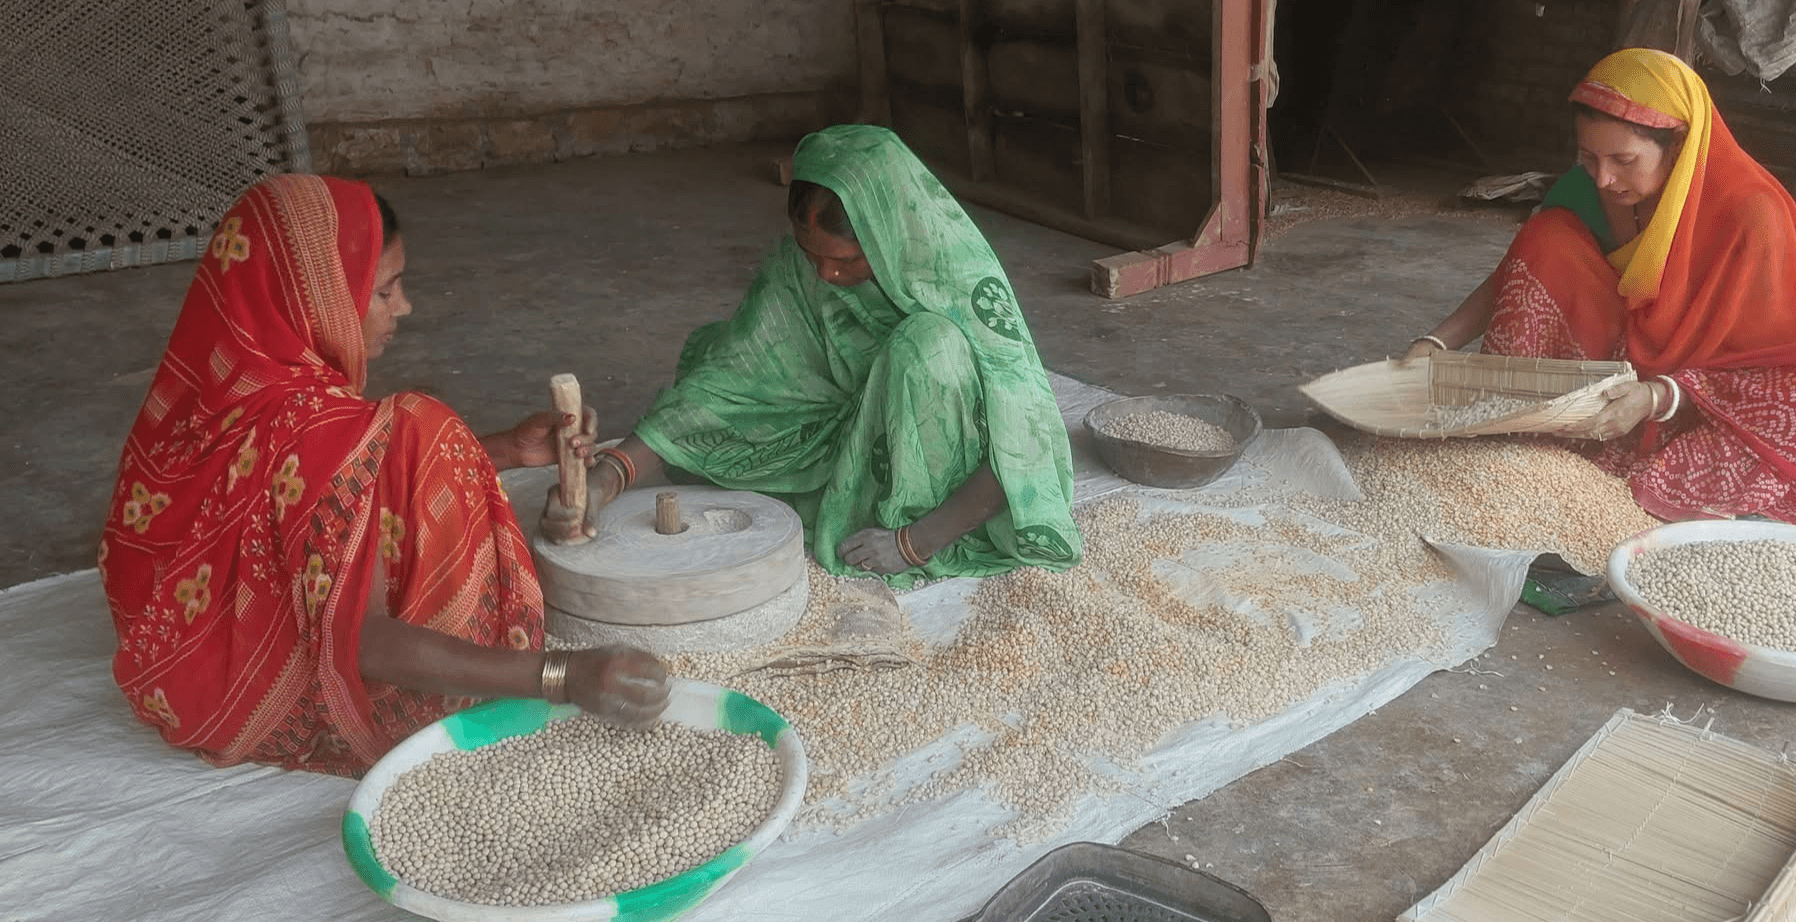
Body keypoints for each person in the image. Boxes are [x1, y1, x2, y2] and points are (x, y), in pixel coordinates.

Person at [100, 175, 668, 778]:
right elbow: (361, 640)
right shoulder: (318, 428)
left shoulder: (220, 376)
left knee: (404, 438)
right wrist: (564, 676)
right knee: (419, 425)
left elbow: (304, 495)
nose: (404, 308)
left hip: (174, 650)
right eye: (384, 291)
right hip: (240, 685)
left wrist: (504, 450)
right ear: (316, 299)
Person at [542, 125, 1083, 585]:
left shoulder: (962, 280)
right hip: (840, 436)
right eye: (811, 253)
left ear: (889, 236)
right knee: (709, 385)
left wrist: (918, 541)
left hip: (948, 469)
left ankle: (905, 513)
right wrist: (608, 477)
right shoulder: (801, 271)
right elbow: (728, 383)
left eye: (846, 261)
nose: (826, 275)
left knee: (928, 347)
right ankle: (853, 492)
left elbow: (1027, 441)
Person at [1406, 48, 1796, 531]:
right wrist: (1437, 342)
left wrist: (1658, 397)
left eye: (1625, 160)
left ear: (1678, 146)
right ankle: (1530, 417)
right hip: (1627, 358)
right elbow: (1516, 274)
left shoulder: (1747, 212)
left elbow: (1759, 349)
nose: (1604, 177)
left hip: (1709, 391)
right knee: (1547, 237)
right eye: (1588, 157)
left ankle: (1647, 435)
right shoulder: (1589, 186)